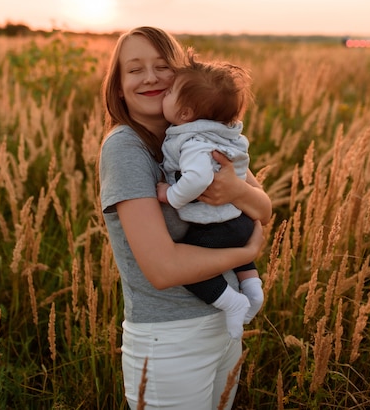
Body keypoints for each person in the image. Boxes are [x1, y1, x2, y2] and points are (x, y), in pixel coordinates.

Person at [99, 26, 272, 410]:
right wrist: (250, 249)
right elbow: (163, 270)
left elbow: (264, 208)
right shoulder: (126, 148)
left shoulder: (199, 133)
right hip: (170, 340)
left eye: (161, 66)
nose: (150, 78)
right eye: (134, 69)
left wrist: (237, 191)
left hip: (224, 329)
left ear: (182, 76)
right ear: (119, 85)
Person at [156, 50, 264, 340]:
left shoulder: (192, 140)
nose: (162, 95)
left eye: (168, 93)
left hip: (215, 227)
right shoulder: (224, 134)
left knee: (191, 268)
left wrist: (172, 195)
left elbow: (200, 177)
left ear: (184, 114)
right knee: (238, 255)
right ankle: (253, 290)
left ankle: (234, 302)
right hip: (240, 221)